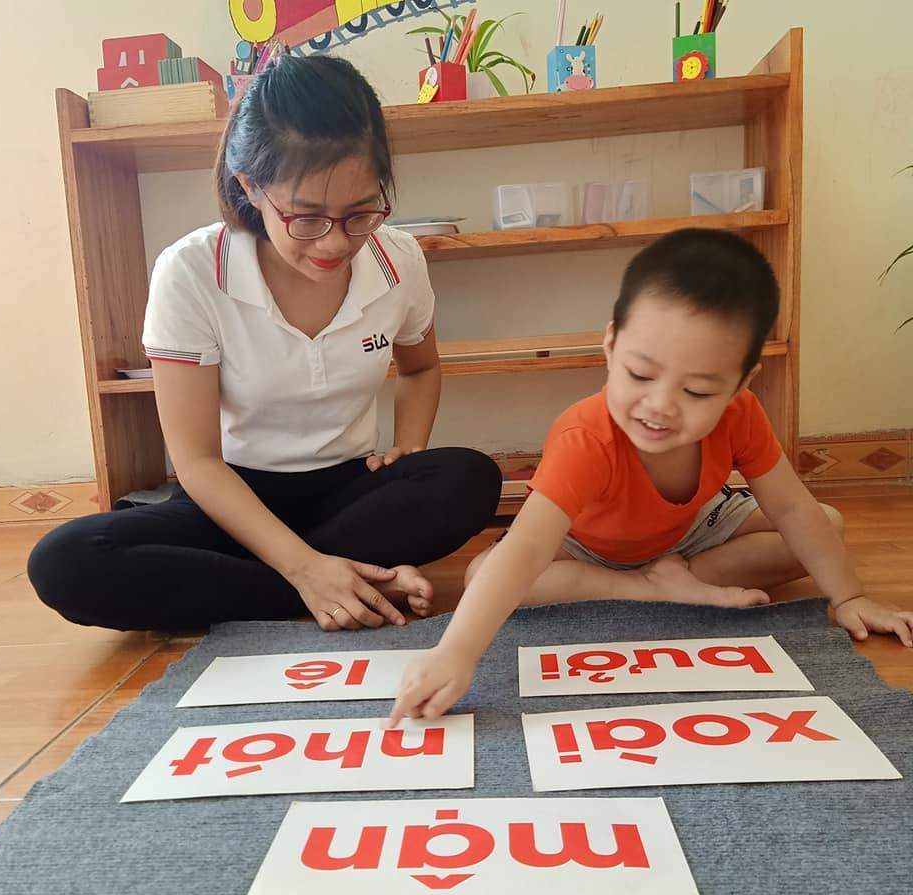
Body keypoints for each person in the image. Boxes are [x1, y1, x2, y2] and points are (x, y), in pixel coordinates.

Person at [28, 54, 501, 632]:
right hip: (231, 499)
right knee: (65, 562)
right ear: (249, 186)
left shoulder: (398, 258)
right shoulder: (191, 271)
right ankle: (340, 584)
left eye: (360, 213)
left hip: (349, 490)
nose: (335, 243)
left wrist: (408, 446)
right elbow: (197, 461)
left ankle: (306, 584)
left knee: (469, 479)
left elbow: (421, 369)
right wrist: (303, 568)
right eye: (306, 217)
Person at [388, 228, 913, 724]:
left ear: (740, 384)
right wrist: (455, 653)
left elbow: (793, 508)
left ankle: (677, 580)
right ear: (610, 345)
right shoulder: (585, 436)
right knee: (487, 574)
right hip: (586, 549)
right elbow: (525, 549)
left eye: (698, 391)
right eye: (640, 374)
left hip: (696, 530)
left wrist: (849, 597)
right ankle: (652, 587)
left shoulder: (741, 414)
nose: (660, 406)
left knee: (825, 524)